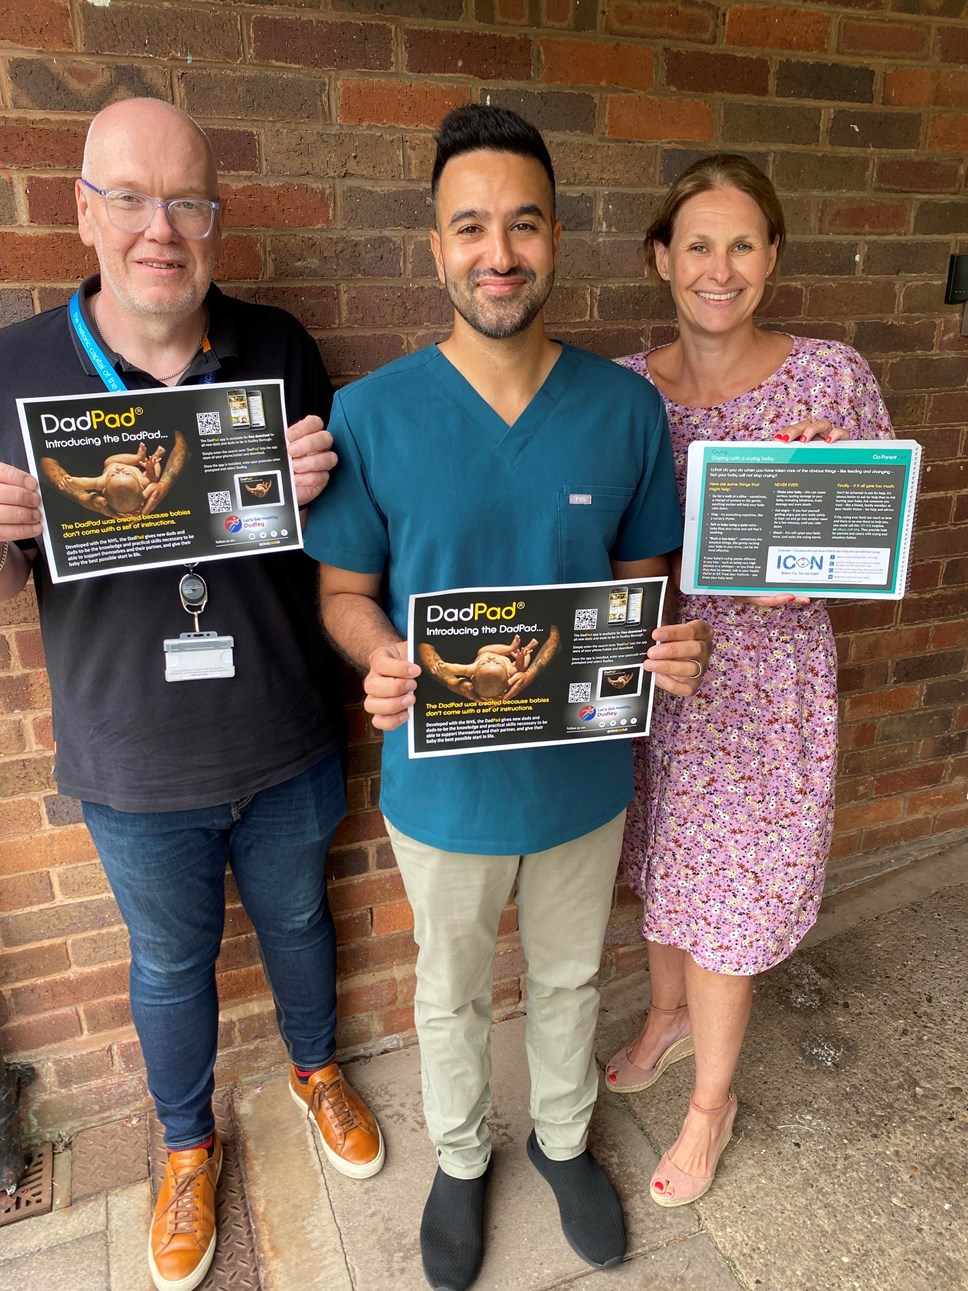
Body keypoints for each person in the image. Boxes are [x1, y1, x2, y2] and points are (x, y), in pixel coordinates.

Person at [303, 104, 711, 1291]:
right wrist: (378, 652)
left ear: (555, 240)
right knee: (446, 988)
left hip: (581, 776)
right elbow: (340, 591)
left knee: (575, 975)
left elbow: (639, 596)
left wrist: (662, 652)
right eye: (469, 226)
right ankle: (461, 1158)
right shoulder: (375, 413)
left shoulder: (622, 410)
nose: (498, 251)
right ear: (434, 248)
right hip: (442, 787)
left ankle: (566, 1138)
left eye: (522, 224)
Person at [0, 98, 384, 1291]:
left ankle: (316, 1069)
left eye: (185, 203)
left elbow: (333, 550)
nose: (157, 228)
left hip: (282, 733)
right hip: (131, 758)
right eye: (128, 197)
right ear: (84, 212)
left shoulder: (277, 343)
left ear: (215, 220)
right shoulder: (13, 365)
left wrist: (316, 484)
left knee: (301, 924)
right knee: (168, 965)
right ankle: (183, 1146)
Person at [605, 154, 894, 1208]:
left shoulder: (829, 375)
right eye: (695, 244)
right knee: (662, 862)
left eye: (740, 244)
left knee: (723, 895)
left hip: (766, 687)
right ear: (659, 257)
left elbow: (871, 553)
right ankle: (665, 1015)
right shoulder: (625, 388)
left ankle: (709, 1105)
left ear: (770, 256)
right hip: (661, 672)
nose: (717, 268)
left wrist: (835, 477)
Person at [41, 437, 177, 516]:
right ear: (141, 487)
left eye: (112, 475)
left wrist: (71, 481)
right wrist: (149, 468)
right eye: (127, 474)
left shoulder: (101, 482)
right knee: (154, 477)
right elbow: (150, 477)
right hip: (143, 468)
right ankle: (152, 458)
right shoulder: (143, 481)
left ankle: (139, 458)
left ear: (104, 490)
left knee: (109, 462)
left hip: (115, 459)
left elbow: (85, 483)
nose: (120, 469)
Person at [418, 629, 552, 701]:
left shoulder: (471, 669)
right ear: (507, 675)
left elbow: (456, 668)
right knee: (521, 667)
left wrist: (444, 666)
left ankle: (511, 648)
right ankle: (524, 649)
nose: (492, 658)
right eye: (497, 662)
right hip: (513, 661)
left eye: (485, 663)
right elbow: (518, 668)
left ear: (473, 675)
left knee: (484, 651)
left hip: (486, 649)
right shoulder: (510, 671)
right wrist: (520, 659)